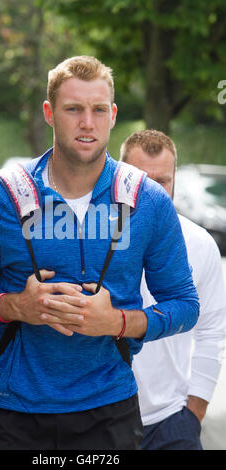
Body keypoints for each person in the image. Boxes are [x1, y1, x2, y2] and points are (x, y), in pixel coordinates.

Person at [0, 57, 199, 451]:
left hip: (109, 412)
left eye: (97, 110)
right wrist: (13, 306)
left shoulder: (148, 201)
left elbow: (186, 305)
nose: (87, 123)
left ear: (112, 115)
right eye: (73, 109)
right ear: (49, 113)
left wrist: (118, 321)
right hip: (10, 413)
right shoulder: (3, 196)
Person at [120, 129, 226, 450]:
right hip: (103, 418)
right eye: (141, 179)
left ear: (175, 179)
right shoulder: (95, 240)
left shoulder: (199, 244)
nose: (153, 190)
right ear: (121, 177)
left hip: (172, 422)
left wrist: (194, 412)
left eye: (162, 181)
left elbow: (211, 333)